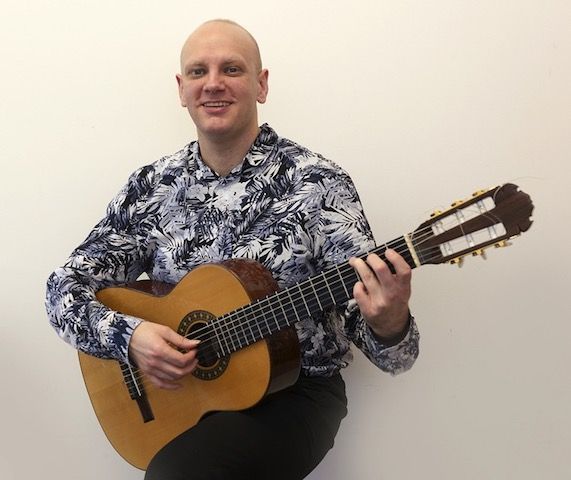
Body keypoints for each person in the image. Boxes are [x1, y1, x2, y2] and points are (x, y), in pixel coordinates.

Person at [46, 19, 420, 480]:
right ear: (182, 90)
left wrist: (388, 320)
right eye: (198, 72)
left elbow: (395, 357)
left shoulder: (318, 184)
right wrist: (132, 337)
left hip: (295, 394)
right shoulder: (152, 187)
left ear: (261, 85)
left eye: (232, 69)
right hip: (185, 396)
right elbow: (63, 288)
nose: (213, 83)